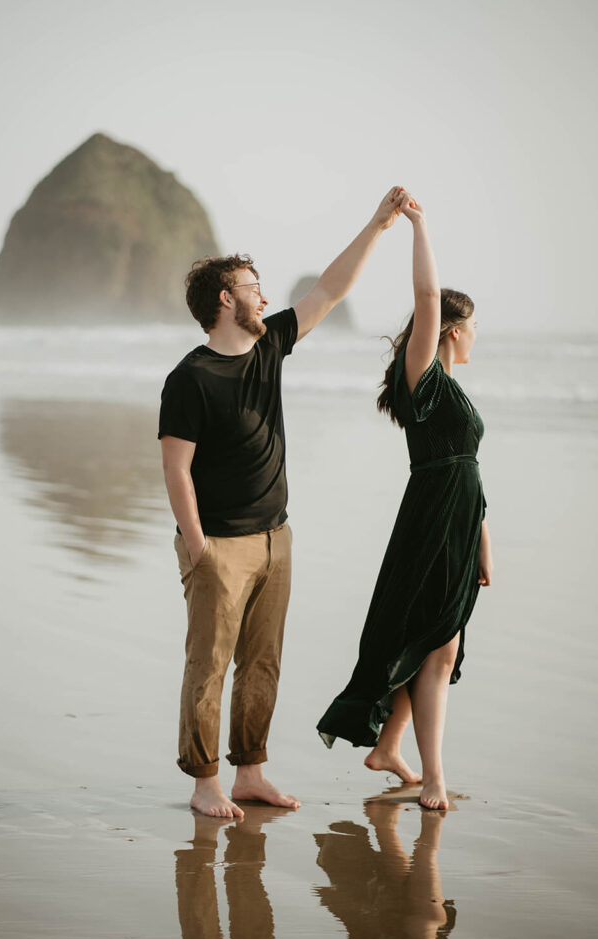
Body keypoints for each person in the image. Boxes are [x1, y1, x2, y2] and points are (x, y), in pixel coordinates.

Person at [159, 186, 405, 819]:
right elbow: (176, 468)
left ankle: (250, 773)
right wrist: (198, 546)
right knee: (208, 666)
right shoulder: (190, 378)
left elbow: (329, 289)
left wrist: (378, 223)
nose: (264, 296)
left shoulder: (270, 344)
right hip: (219, 544)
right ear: (225, 297)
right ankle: (205, 782)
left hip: (277, 537)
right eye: (253, 284)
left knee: (262, 664)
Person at [317, 191, 493, 811]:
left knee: (433, 643)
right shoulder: (425, 379)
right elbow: (425, 299)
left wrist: (481, 542)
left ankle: (390, 748)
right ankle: (434, 777)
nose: (477, 337)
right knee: (437, 649)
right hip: (431, 525)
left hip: (455, 525)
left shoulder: (455, 394)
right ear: (450, 330)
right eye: (472, 327)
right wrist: (418, 226)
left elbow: (470, 473)